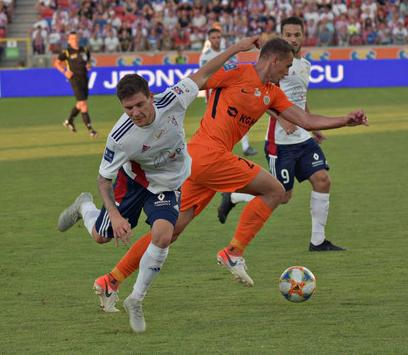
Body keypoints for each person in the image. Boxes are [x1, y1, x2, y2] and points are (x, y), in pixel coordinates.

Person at [91, 37, 368, 313]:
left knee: (170, 232)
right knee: (275, 190)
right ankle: (234, 251)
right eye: (286, 65)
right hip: (208, 154)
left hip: (197, 163)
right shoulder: (237, 73)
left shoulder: (272, 92)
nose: (287, 71)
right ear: (273, 60)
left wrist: (345, 120)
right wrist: (235, 49)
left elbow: (305, 120)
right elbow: (204, 76)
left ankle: (111, 280)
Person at [57, 36, 262, 333]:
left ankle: (135, 299)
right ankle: (84, 206)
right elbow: (104, 178)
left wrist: (239, 48)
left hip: (167, 184)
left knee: (164, 235)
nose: (136, 113)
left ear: (151, 96)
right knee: (102, 236)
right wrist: (113, 215)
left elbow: (204, 72)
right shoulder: (120, 136)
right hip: (134, 181)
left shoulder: (174, 98)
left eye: (139, 104)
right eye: (128, 108)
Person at [218, 16, 347, 251]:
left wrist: (312, 125)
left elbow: (300, 98)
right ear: (281, 36)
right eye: (288, 35)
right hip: (280, 141)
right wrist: (281, 119)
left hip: (303, 138)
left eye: (297, 35)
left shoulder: (305, 65)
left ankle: (318, 241)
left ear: (303, 35)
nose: (293, 39)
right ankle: (234, 197)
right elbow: (263, 96)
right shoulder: (275, 63)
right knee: (283, 196)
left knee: (322, 180)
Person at [199, 27, 258, 156]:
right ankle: (215, 150)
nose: (216, 40)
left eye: (218, 37)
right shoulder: (205, 56)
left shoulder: (228, 53)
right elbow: (205, 76)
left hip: (230, 92)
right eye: (213, 38)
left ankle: (245, 147)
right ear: (209, 40)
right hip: (215, 94)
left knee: (240, 118)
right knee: (219, 125)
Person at [54, 31, 98, 138]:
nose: (74, 40)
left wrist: (88, 65)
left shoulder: (84, 50)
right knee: (84, 104)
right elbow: (57, 63)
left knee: (80, 104)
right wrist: (65, 72)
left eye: (76, 38)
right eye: (72, 39)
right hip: (74, 79)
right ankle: (91, 130)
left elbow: (89, 59)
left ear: (78, 39)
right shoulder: (67, 52)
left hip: (84, 78)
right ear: (69, 41)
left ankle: (69, 121)